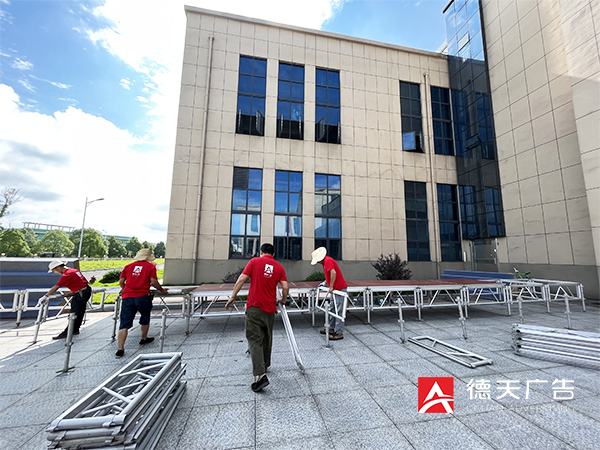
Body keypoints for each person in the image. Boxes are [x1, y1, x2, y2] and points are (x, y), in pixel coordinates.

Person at [225, 243, 288, 392]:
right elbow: (285, 287)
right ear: (273, 254)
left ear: (261, 252)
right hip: (270, 309)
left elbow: (241, 279)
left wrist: (233, 296)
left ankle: (261, 375)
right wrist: (284, 299)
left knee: (254, 339)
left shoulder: (254, 262)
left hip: (254, 307)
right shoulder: (279, 267)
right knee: (267, 337)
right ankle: (265, 364)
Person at [116, 248, 168, 358]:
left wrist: (124, 288)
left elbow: (121, 281)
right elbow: (153, 282)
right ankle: (143, 338)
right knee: (145, 316)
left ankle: (120, 349)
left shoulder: (128, 266)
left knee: (124, 323)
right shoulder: (150, 267)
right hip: (142, 296)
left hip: (127, 297)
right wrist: (162, 290)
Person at [44, 260, 94, 340]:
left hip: (80, 293)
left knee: (74, 312)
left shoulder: (67, 274)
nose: (55, 273)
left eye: (54, 271)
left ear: (58, 267)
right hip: (85, 290)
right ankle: (75, 329)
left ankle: (68, 331)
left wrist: (45, 296)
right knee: (79, 312)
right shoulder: (74, 271)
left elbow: (56, 287)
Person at [311, 247, 348, 340]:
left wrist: (331, 286)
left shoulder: (327, 261)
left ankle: (339, 332)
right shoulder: (326, 262)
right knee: (333, 309)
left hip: (339, 288)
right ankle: (331, 328)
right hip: (336, 289)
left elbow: (333, 273)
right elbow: (330, 274)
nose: (317, 262)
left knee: (338, 311)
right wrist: (325, 282)